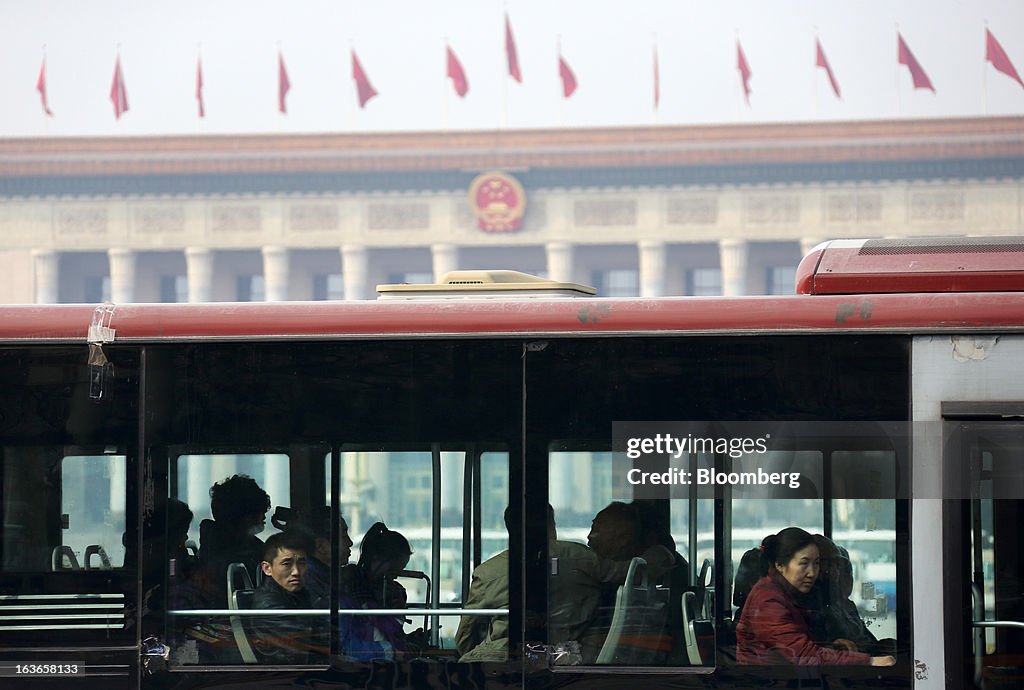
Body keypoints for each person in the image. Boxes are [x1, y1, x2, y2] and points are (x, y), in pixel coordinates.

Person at [736, 527, 895, 666]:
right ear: (780, 565)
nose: (812, 573)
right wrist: (870, 661)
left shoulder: (787, 595)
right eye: (804, 563)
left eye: (816, 564)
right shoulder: (768, 601)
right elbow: (805, 656)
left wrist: (832, 647)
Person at [337, 522, 422, 660]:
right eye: (393, 570)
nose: (395, 576)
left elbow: (393, 633)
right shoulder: (352, 585)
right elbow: (386, 626)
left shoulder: (395, 591)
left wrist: (409, 640)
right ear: (377, 560)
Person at [248, 530, 327, 663]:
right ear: (267, 568)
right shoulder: (268, 605)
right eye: (286, 564)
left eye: (301, 563)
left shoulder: (300, 594)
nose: (296, 572)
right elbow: (307, 640)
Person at [197, 474, 271, 606]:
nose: (264, 516)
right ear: (246, 516)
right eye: (260, 511)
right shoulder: (236, 556)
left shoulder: (244, 545)